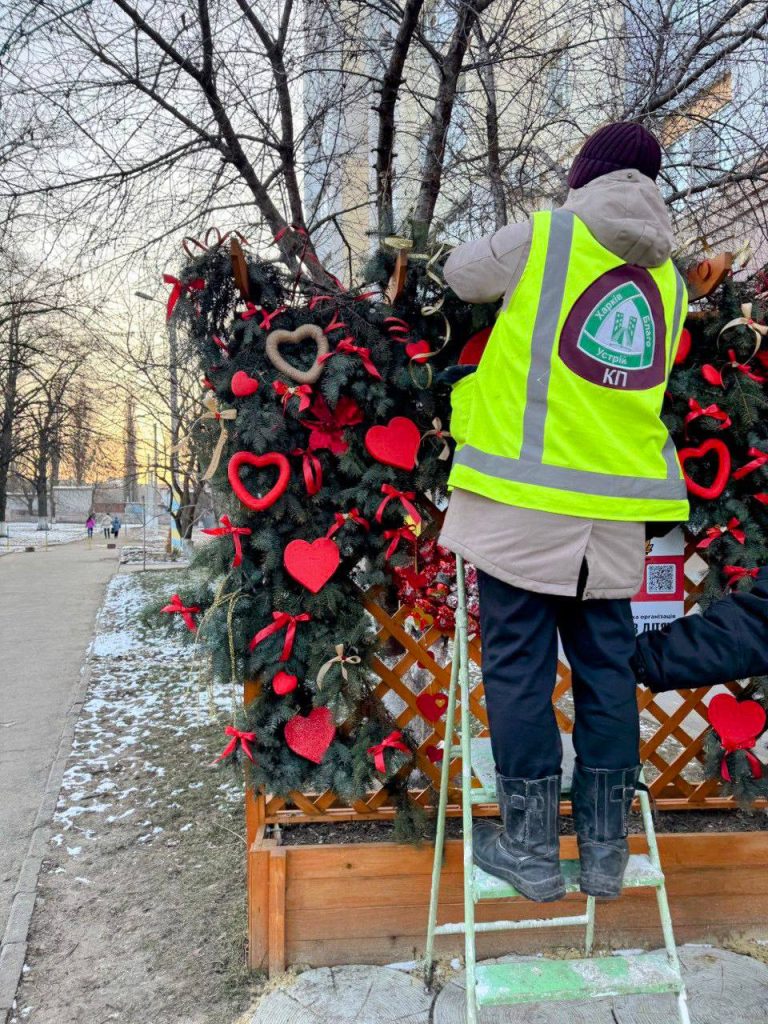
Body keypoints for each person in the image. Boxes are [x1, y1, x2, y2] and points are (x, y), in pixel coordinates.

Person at [440, 122, 690, 902]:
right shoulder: (672, 282)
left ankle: (531, 851)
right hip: (615, 518)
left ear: (585, 177)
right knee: (604, 674)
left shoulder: (546, 237)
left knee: (519, 669)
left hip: (522, 504)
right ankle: (608, 853)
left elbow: (458, 276)